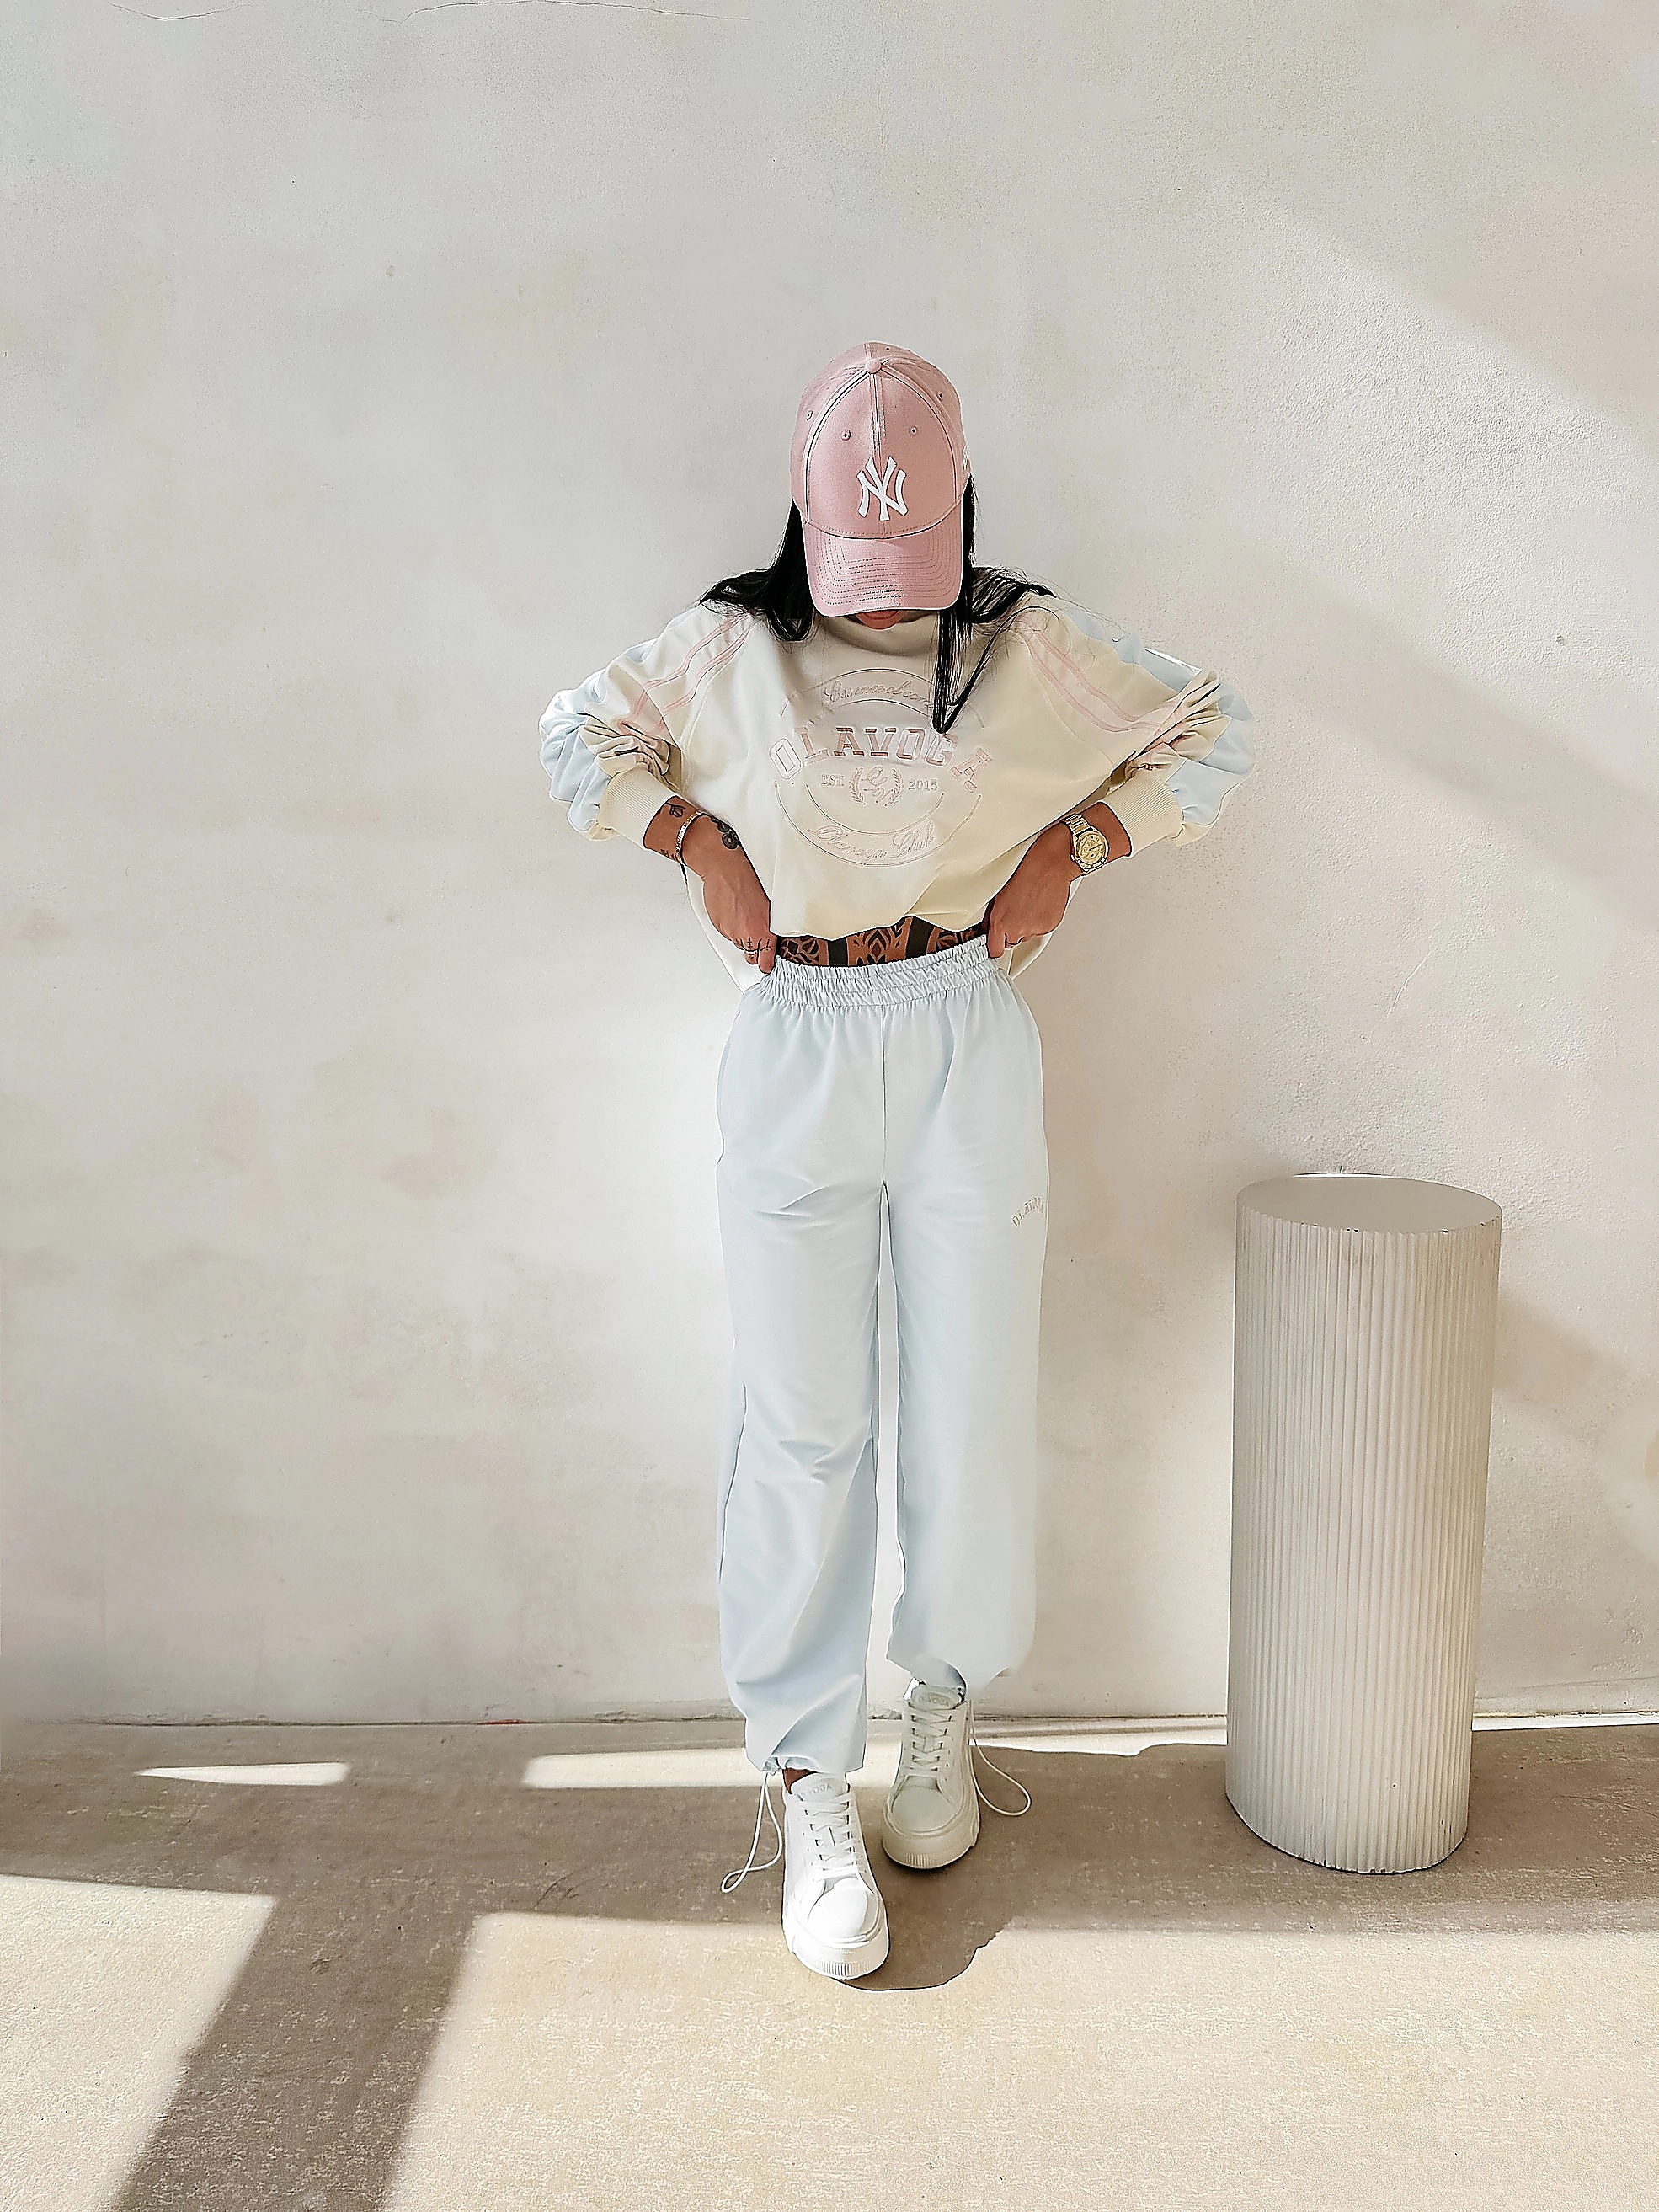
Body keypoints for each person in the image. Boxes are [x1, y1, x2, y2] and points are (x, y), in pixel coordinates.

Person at [540, 341, 1256, 1982]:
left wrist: (1083, 840)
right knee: (801, 1424)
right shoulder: (729, 647)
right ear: (805, 516)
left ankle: (941, 1701)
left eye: (908, 559)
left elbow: (1214, 732)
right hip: (795, 1031)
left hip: (959, 1028)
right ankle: (808, 1774)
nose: (881, 599)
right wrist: (692, 838)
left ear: (960, 513)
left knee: (969, 1398)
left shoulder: (1024, 644)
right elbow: (577, 738)